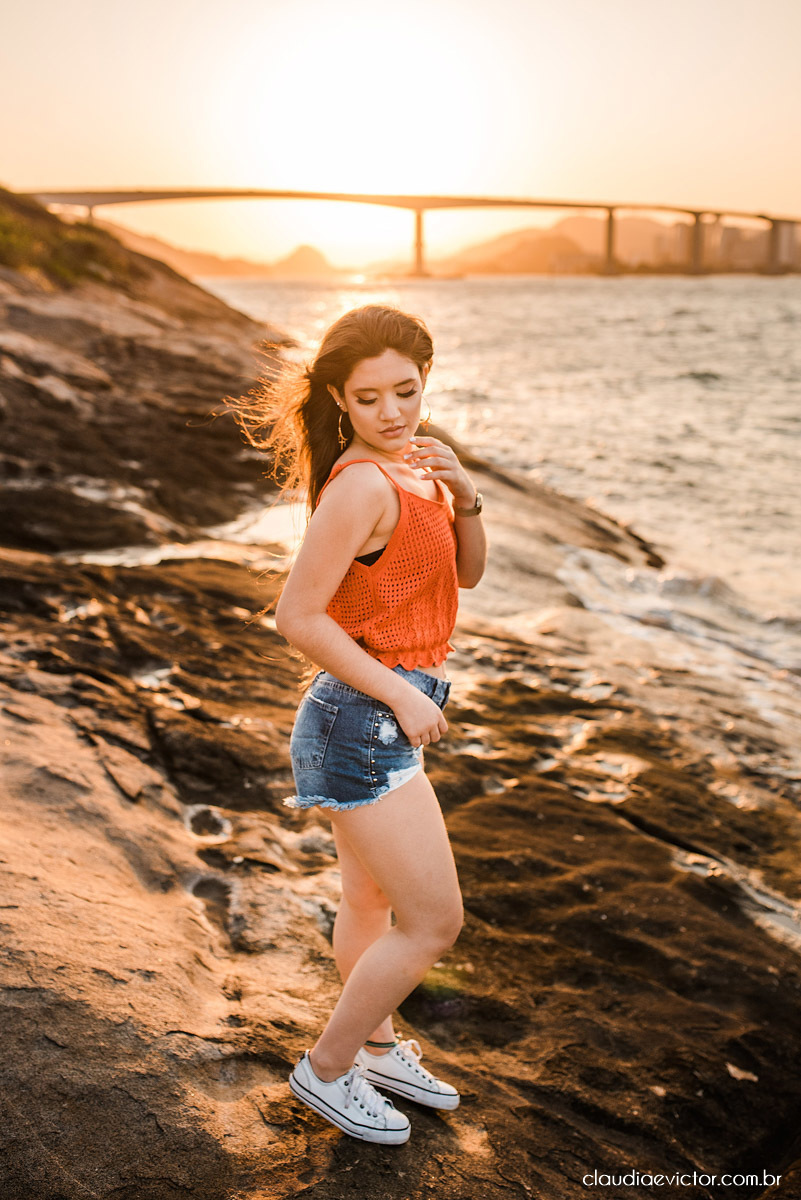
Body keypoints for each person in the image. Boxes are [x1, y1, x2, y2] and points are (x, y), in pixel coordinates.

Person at [238, 304, 487, 1145]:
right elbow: (297, 616)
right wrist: (407, 697)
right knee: (434, 923)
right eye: (370, 398)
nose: (392, 413)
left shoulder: (417, 468)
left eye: (406, 392)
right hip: (361, 722)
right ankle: (328, 1069)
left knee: (370, 901)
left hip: (378, 713)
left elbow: (469, 577)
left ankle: (377, 1051)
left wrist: (466, 494)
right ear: (340, 401)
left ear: (426, 381)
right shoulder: (360, 485)